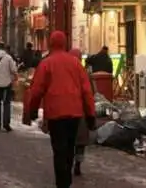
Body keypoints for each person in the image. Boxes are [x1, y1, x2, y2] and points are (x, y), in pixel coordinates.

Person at [27, 31, 96, 188]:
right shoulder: (76, 64)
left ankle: (62, 182)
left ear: (50, 43)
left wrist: (33, 109)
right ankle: (67, 177)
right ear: (65, 43)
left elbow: (37, 90)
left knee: (59, 148)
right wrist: (90, 114)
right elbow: (86, 91)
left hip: (55, 113)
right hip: (75, 112)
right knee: (70, 146)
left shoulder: (46, 63)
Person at [68, 48, 91, 177]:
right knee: (80, 141)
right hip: (80, 111)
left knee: (68, 140)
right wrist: (91, 113)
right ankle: (78, 164)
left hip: (65, 111)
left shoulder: (63, 72)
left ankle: (68, 162)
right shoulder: (84, 73)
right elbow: (89, 94)